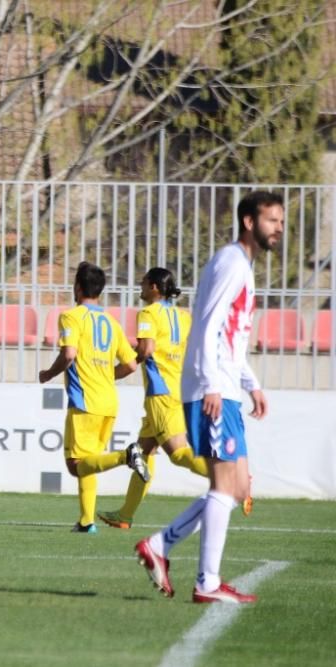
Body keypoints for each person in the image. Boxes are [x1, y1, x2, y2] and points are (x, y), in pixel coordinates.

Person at [135, 191, 281, 604]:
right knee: (224, 484)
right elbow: (207, 323)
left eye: (282, 221)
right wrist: (212, 383)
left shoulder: (241, 266)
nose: (279, 229)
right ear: (250, 222)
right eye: (272, 220)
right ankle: (207, 583)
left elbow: (230, 338)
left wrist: (250, 382)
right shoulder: (232, 263)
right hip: (212, 389)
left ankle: (161, 547)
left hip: (227, 386)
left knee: (235, 488)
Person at [38, 262, 147, 533]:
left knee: (76, 466)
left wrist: (49, 373)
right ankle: (86, 521)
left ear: (77, 287)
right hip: (108, 401)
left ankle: (126, 456)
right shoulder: (111, 321)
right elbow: (132, 364)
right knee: (89, 461)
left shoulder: (71, 317)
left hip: (85, 401)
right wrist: (107, 376)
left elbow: (69, 354)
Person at [97, 268, 206, 529]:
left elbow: (146, 349)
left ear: (155, 287)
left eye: (144, 283)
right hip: (179, 387)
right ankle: (125, 515)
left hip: (161, 392)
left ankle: (233, 481)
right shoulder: (183, 316)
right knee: (144, 453)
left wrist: (122, 367)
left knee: (178, 454)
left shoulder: (147, 313)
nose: (141, 287)